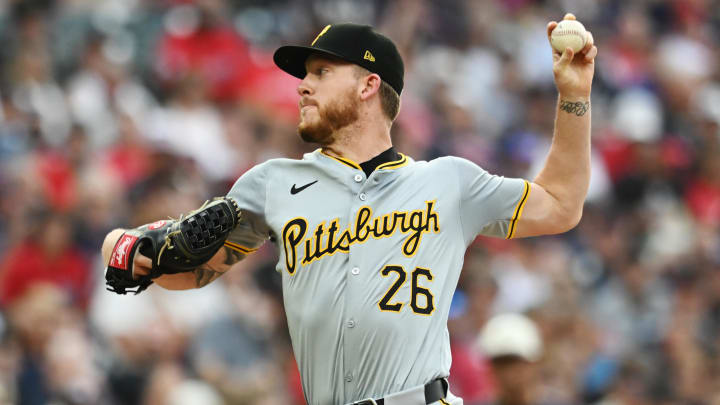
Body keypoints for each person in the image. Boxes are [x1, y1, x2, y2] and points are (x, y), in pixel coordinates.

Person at [101, 15, 597, 405]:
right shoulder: (273, 184)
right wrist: (124, 244)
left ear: (367, 86)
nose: (302, 86)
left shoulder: (448, 182)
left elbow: (559, 205)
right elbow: (188, 270)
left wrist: (573, 98)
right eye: (305, 75)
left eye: (321, 72)